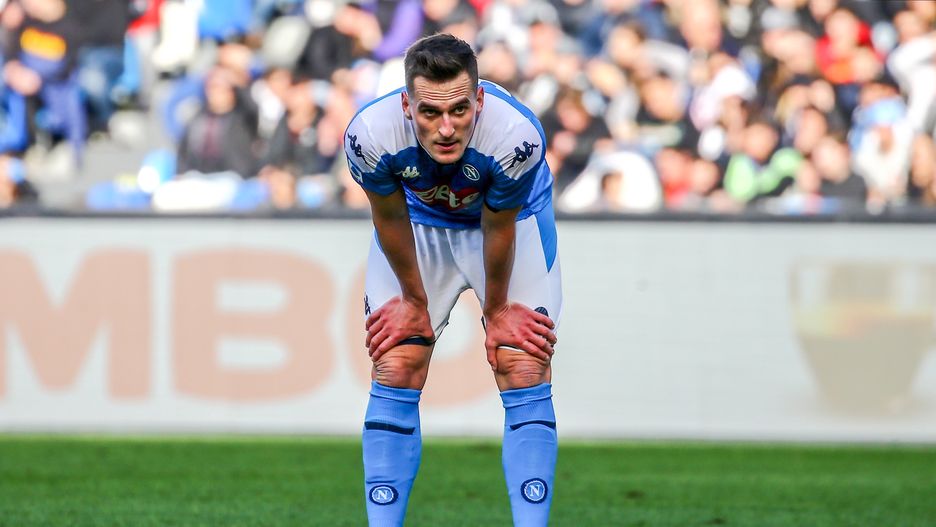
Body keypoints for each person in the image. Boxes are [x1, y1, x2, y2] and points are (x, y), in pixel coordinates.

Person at [343, 33, 561, 526]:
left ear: (479, 99)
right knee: (396, 361)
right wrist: (413, 301)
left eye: (460, 110)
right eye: (430, 112)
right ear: (407, 106)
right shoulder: (369, 134)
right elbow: (389, 218)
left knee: (522, 362)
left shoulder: (516, 135)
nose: (446, 128)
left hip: (513, 223)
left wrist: (498, 311)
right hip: (419, 224)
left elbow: (498, 225)